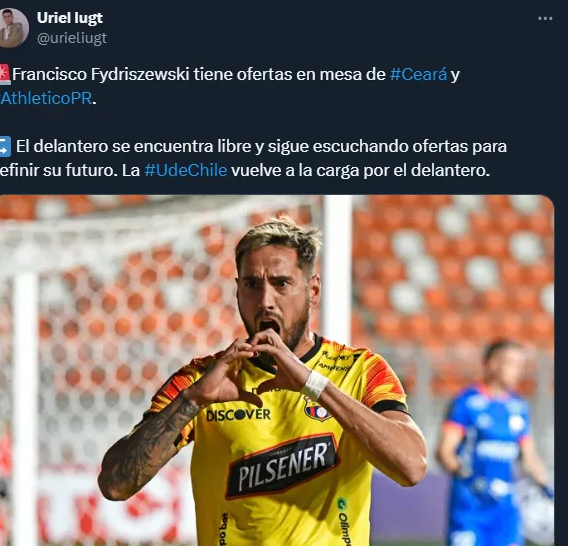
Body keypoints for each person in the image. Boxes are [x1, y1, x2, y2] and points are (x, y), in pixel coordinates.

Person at [98, 215, 427, 545]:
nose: (266, 300)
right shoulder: (202, 380)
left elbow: (411, 467)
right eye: (252, 285)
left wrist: (313, 385)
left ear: (312, 291)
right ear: (238, 292)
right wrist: (193, 400)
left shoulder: (362, 370)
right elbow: (115, 484)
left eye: (281, 283)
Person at [437, 339, 553, 546]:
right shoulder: (466, 402)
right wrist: (469, 476)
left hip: (505, 512)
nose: (518, 371)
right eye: (512, 363)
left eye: (521, 365)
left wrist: (549, 487)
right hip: (469, 509)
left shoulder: (519, 406)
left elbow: (529, 459)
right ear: (493, 364)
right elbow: (445, 452)